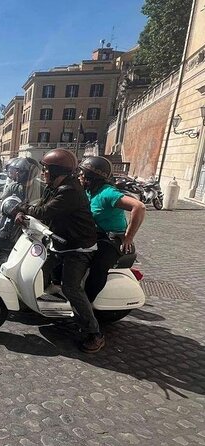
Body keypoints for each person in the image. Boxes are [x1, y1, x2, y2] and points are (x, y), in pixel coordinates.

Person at [12, 148, 103, 353]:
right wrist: (24, 209)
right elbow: (41, 204)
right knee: (39, 270)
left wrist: (21, 208)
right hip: (61, 242)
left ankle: (94, 333)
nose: (43, 173)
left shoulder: (69, 191)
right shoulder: (54, 187)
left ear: (56, 171)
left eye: (46, 169)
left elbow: (44, 211)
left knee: (71, 287)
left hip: (78, 247)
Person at [78, 156, 145, 302]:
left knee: (98, 268)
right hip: (96, 234)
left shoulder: (107, 193)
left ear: (92, 177)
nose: (80, 176)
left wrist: (129, 237)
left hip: (112, 239)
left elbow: (138, 207)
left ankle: (85, 306)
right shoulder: (90, 191)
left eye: (82, 174)